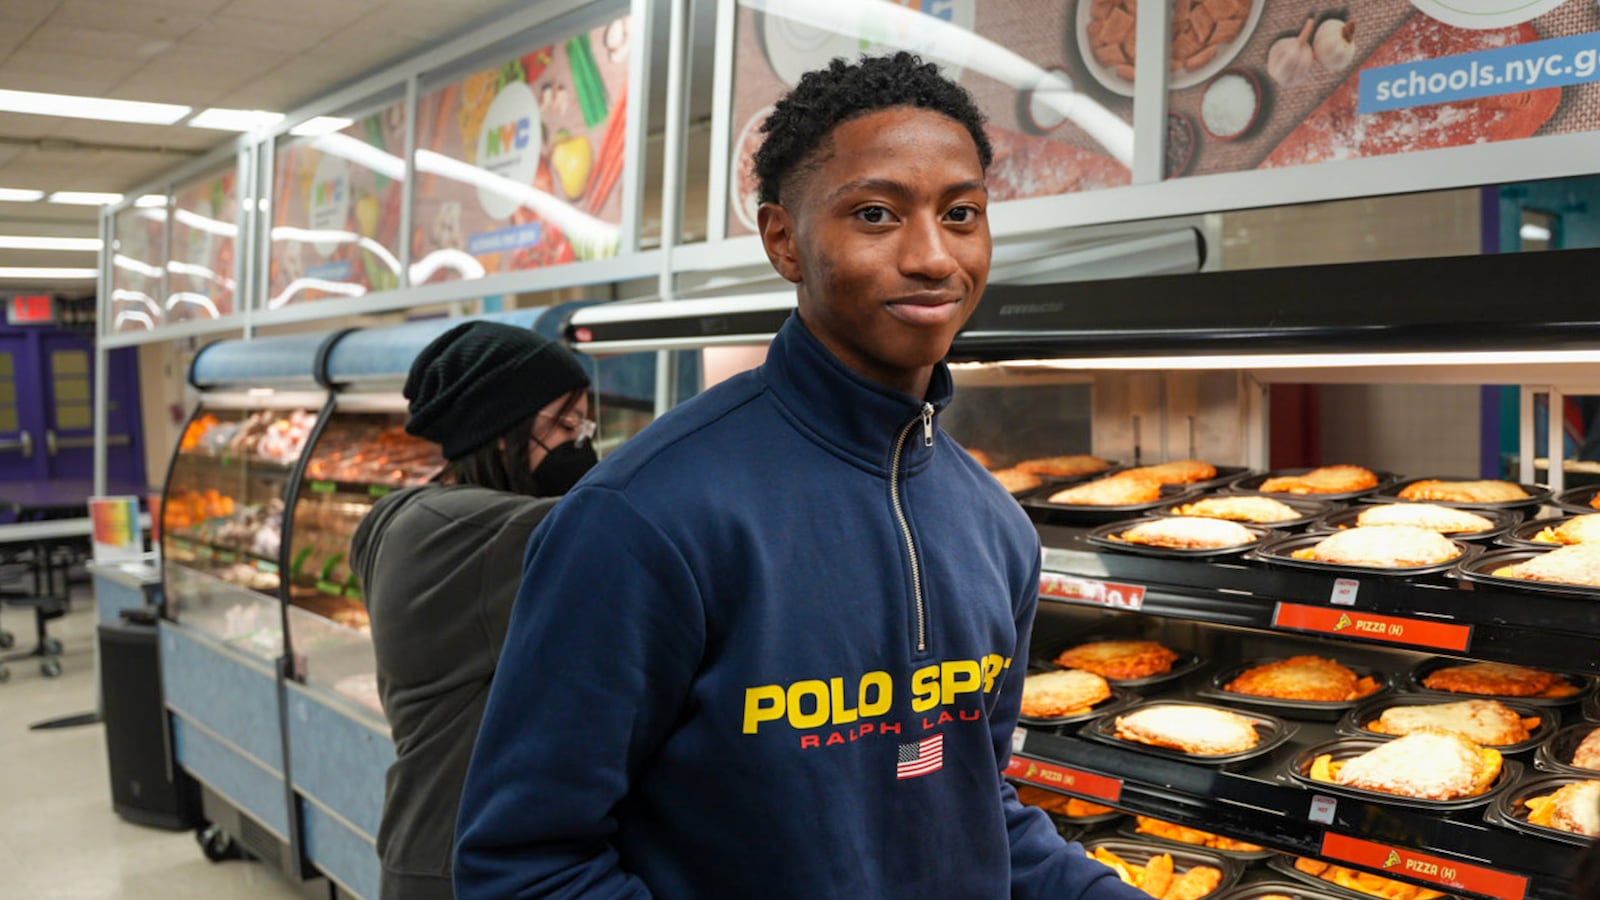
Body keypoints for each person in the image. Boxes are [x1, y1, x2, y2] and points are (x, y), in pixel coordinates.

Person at [454, 52, 1145, 899]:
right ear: (783, 239)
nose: (934, 256)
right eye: (877, 214)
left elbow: (974, 809)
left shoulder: (994, 524)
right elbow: (527, 868)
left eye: (962, 213)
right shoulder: (643, 519)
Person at [350, 320, 598, 900]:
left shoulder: (432, 519)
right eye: (564, 423)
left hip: (455, 852)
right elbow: (620, 513)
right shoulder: (455, 532)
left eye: (584, 422)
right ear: (502, 431)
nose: (581, 440)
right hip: (456, 867)